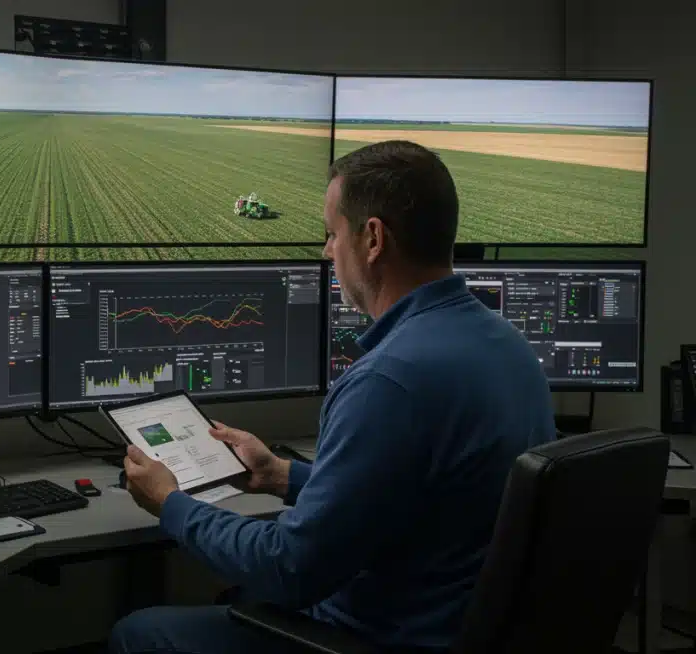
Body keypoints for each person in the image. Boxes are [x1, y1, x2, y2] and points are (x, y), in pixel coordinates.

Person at [110, 140, 556, 654]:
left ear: (372, 239)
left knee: (138, 634)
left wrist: (170, 503)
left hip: (379, 636)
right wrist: (281, 475)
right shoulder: (507, 344)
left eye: (331, 233)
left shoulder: (388, 381)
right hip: (452, 623)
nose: (326, 251)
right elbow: (409, 500)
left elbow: (290, 567)